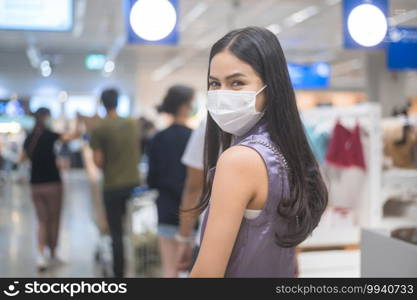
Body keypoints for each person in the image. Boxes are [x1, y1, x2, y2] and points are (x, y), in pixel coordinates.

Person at [188, 26, 328, 278]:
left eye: (237, 83)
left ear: (270, 86)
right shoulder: (291, 154)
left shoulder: (239, 160)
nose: (221, 94)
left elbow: (207, 274)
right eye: (214, 83)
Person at [21, 107, 82, 272]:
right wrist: (78, 121)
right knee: (54, 219)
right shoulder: (51, 136)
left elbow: (21, 158)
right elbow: (73, 136)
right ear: (46, 117)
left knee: (41, 220)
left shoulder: (29, 138)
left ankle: (41, 255)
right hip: (53, 183)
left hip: (35, 184)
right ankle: (53, 253)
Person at [90, 88, 140, 278]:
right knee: (136, 228)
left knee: (116, 232)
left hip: (112, 185)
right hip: (134, 183)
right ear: (118, 102)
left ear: (103, 104)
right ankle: (140, 267)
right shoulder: (132, 123)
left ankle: (119, 273)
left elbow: (98, 161)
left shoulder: (100, 128)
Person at [146, 85, 194, 277]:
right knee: (192, 270)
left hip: (166, 208)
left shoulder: (157, 138)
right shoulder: (195, 138)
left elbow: (151, 179)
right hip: (192, 214)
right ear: (184, 107)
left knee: (170, 269)